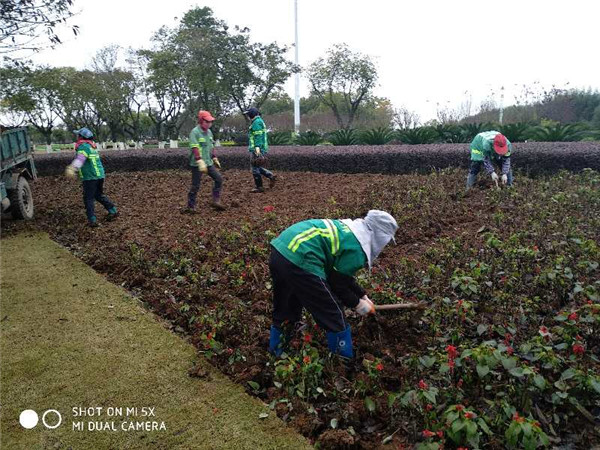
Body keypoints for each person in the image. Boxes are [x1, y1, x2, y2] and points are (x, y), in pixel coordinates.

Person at [268, 210, 398, 359]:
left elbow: (341, 276)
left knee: (287, 306)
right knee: (333, 313)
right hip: (302, 259)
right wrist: (358, 304)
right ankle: (342, 361)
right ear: (379, 235)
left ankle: (276, 353)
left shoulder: (350, 232)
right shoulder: (357, 249)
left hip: (281, 251)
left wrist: (362, 295)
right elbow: (337, 285)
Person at [65, 128, 118, 228]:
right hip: (99, 175)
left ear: (81, 137)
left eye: (78, 135)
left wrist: (72, 168)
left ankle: (92, 219)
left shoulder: (83, 147)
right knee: (98, 195)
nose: (77, 137)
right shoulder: (92, 146)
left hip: (90, 177)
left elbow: (81, 158)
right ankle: (112, 210)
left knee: (88, 198)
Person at [184, 110, 225, 212]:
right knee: (196, 185)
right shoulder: (195, 132)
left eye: (210, 122)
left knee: (219, 179)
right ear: (201, 121)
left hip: (208, 162)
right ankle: (190, 206)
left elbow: (211, 146)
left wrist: (214, 157)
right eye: (207, 122)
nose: (209, 124)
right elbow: (195, 147)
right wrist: (199, 160)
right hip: (197, 163)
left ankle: (215, 201)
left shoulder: (209, 132)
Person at [244, 107, 277, 193]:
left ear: (252, 114)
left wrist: (257, 149)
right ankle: (270, 176)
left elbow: (257, 136)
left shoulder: (256, 123)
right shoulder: (258, 121)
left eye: (248, 114)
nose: (247, 116)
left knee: (254, 167)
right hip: (259, 147)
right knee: (257, 166)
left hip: (257, 148)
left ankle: (259, 187)